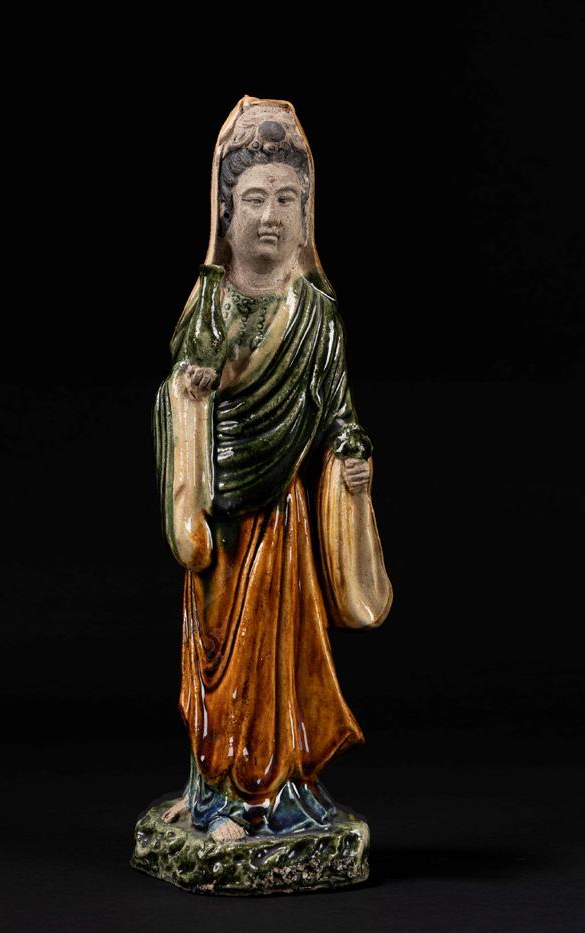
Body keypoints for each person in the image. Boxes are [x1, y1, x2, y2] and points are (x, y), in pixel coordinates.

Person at [152, 96, 393, 843]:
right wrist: (190, 396)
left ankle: (274, 792)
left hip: (281, 518)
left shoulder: (316, 313)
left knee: (278, 659)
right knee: (217, 662)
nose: (270, 216)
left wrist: (352, 455)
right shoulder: (209, 301)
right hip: (219, 511)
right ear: (225, 214)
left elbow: (338, 411)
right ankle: (213, 789)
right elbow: (179, 387)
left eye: (287, 200)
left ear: (306, 215)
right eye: (254, 198)